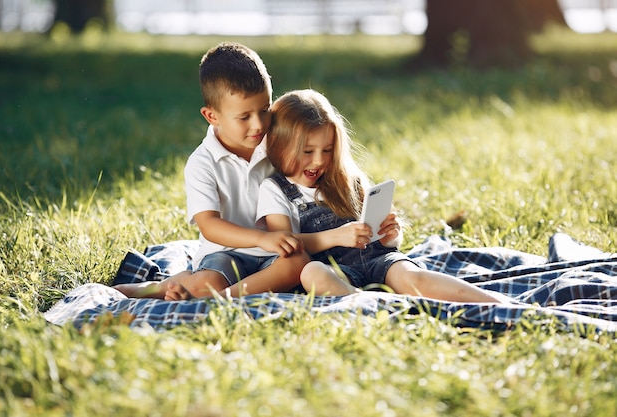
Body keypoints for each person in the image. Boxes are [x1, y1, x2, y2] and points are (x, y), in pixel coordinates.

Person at [256, 89, 506, 303]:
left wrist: (390, 235)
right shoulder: (275, 188)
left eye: (328, 150)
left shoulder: (346, 179)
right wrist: (336, 237)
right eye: (308, 151)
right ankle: (370, 303)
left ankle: (502, 304)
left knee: (414, 277)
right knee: (311, 273)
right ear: (280, 146)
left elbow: (382, 239)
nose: (319, 160)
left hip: (377, 259)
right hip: (335, 272)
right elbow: (286, 244)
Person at [114, 42, 308, 300]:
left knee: (300, 264)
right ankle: (166, 287)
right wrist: (261, 239)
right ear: (212, 116)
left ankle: (222, 297)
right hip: (224, 253)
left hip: (275, 251)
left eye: (265, 110)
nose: (259, 124)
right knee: (205, 283)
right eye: (244, 117)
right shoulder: (202, 162)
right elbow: (210, 226)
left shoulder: (277, 144)